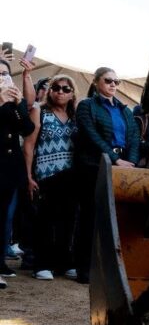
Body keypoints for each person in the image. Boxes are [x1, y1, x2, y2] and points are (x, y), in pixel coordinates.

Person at [74, 67, 141, 283]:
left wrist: (129, 162)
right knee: (90, 217)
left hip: (122, 166)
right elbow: (91, 135)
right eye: (108, 80)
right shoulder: (87, 106)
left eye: (116, 81)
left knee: (116, 219)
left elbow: (134, 137)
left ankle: (108, 271)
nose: (113, 84)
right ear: (96, 82)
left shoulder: (125, 110)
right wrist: (115, 158)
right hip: (94, 165)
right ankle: (84, 269)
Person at [23, 74, 80, 281]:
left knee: (68, 219)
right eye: (56, 87)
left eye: (66, 89)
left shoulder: (76, 115)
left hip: (71, 173)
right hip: (46, 173)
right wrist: (28, 176)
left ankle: (64, 263)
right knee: (45, 220)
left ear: (72, 93)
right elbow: (28, 145)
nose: (60, 92)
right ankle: (41, 264)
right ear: (50, 90)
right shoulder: (40, 111)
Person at [0, 55, 36, 284]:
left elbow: (27, 129)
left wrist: (20, 104)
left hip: (8, 168)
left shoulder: (12, 100)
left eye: (4, 73)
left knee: (3, 217)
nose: (1, 77)